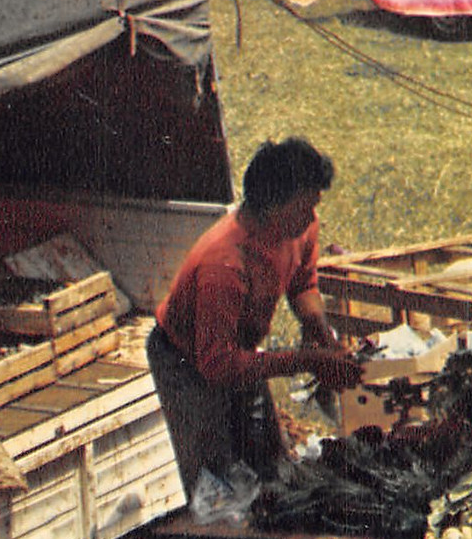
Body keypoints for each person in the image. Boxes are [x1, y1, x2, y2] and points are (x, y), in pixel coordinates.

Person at [148, 137, 362, 492]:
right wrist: (306, 360)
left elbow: (303, 284)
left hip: (237, 348)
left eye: (314, 206)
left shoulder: (299, 226)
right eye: (304, 207)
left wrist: (323, 336)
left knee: (269, 462)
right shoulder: (225, 263)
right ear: (272, 206)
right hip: (185, 359)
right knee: (216, 479)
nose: (312, 217)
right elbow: (217, 364)